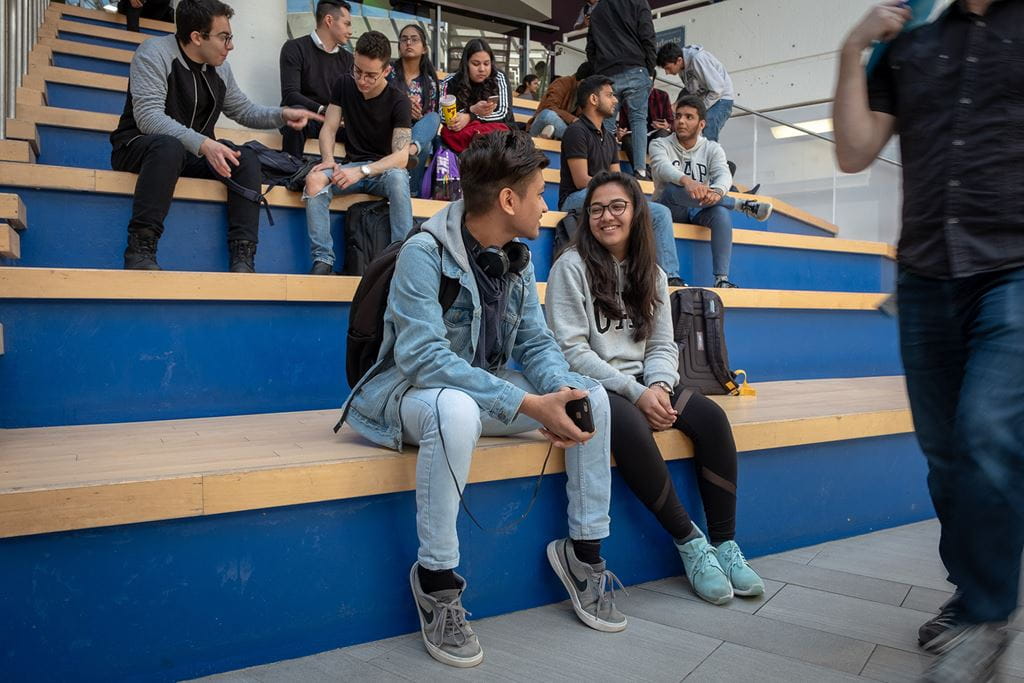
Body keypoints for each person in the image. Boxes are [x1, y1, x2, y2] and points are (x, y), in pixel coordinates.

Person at [339, 130, 626, 667]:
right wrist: (527, 406)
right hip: (409, 395)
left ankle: (583, 554)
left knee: (591, 395)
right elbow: (424, 360)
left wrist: (557, 392)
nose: (546, 206)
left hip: (480, 396)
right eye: (539, 194)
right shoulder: (424, 253)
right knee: (456, 408)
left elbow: (535, 344)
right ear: (508, 200)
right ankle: (437, 580)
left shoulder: (516, 260)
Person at [834, 2, 1024, 680]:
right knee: (946, 460)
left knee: (985, 432)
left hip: (1013, 268)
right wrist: (852, 49)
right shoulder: (911, 41)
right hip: (924, 275)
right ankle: (973, 592)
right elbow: (853, 151)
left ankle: (987, 617)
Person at [545, 170, 764, 606]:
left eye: (616, 207)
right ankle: (691, 543)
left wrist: (659, 385)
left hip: (647, 381)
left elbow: (663, 344)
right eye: (596, 209)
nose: (606, 217)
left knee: (712, 418)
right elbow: (571, 351)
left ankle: (725, 544)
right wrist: (635, 392)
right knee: (627, 423)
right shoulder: (570, 267)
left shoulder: (654, 272)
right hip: (597, 386)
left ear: (636, 213)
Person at [110, 0, 323, 272]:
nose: (230, 46)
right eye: (224, 37)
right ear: (197, 37)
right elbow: (149, 118)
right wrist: (204, 144)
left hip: (191, 153)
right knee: (169, 147)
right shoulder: (154, 53)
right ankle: (140, 249)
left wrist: (282, 114)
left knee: (244, 158)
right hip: (140, 148)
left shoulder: (220, 68)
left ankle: (243, 258)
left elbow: (243, 110)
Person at [302, 31, 413, 275]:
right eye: (358, 71)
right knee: (314, 180)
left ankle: (402, 256)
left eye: (371, 75)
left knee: (398, 177)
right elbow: (329, 128)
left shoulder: (399, 101)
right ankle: (323, 259)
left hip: (382, 171)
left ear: (386, 71)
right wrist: (328, 160)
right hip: (351, 168)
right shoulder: (344, 84)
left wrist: (362, 171)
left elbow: (401, 157)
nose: (362, 80)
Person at [560, 75, 686, 287]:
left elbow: (617, 177)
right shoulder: (576, 131)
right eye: (609, 95)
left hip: (603, 197)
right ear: (593, 99)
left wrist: (627, 192)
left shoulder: (608, 137)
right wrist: (616, 193)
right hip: (576, 198)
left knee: (659, 212)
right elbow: (581, 180)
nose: (615, 100)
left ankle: (666, 277)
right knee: (634, 206)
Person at [649, 96, 772, 288]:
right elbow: (662, 168)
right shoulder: (659, 144)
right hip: (670, 208)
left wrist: (718, 191)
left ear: (701, 124)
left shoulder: (712, 148)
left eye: (689, 117)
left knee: (720, 213)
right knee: (674, 188)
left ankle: (722, 279)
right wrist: (687, 181)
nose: (681, 121)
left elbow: (723, 174)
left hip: (699, 207)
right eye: (678, 116)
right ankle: (738, 204)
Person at [585, 0, 657, 180]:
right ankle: (640, 170)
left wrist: (599, 70)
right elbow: (648, 35)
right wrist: (649, 69)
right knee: (638, 120)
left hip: (608, 73)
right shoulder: (638, 2)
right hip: (636, 68)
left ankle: (605, 170)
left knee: (607, 124)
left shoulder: (597, 11)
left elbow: (590, 48)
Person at [278, 0, 353, 158]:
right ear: (329, 20)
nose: (350, 31)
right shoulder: (294, 48)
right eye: (347, 24)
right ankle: (291, 169)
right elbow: (290, 94)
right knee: (296, 112)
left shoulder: (349, 59)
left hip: (336, 124)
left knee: (365, 127)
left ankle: (356, 172)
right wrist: (322, 110)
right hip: (306, 120)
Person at [388, 23, 441, 196]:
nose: (408, 43)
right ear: (399, 46)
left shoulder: (430, 82)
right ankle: (411, 192)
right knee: (423, 146)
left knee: (434, 118)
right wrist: (403, 105)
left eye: (414, 39)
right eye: (404, 39)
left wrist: (418, 117)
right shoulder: (388, 73)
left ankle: (410, 151)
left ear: (424, 48)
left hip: (415, 133)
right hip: (390, 130)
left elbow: (429, 122)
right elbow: (378, 105)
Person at [438, 39, 513, 154]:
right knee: (447, 133)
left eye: (486, 64)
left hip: (494, 136)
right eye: (476, 64)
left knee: (500, 130)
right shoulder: (450, 81)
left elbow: (504, 115)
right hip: (465, 134)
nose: (482, 69)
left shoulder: (499, 77)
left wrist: (470, 116)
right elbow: (443, 116)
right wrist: (471, 110)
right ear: (466, 63)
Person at [656, 42, 735, 142]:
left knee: (708, 124)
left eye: (668, 68)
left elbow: (717, 89)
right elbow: (690, 90)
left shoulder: (698, 59)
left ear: (679, 60)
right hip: (705, 98)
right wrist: (676, 106)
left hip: (721, 98)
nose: (667, 73)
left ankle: (710, 151)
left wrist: (700, 109)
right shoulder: (682, 67)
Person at [527, 61, 593, 141]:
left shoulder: (586, 95)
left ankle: (575, 140)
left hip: (563, 131)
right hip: (539, 126)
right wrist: (573, 119)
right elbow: (550, 107)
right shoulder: (561, 83)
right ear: (582, 81)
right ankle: (576, 140)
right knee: (548, 115)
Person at [617, 86, 674, 171]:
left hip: (655, 136)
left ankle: (653, 170)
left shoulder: (662, 96)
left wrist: (667, 126)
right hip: (635, 138)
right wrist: (621, 133)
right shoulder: (628, 98)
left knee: (662, 133)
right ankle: (641, 172)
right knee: (627, 139)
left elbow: (672, 122)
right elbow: (623, 126)